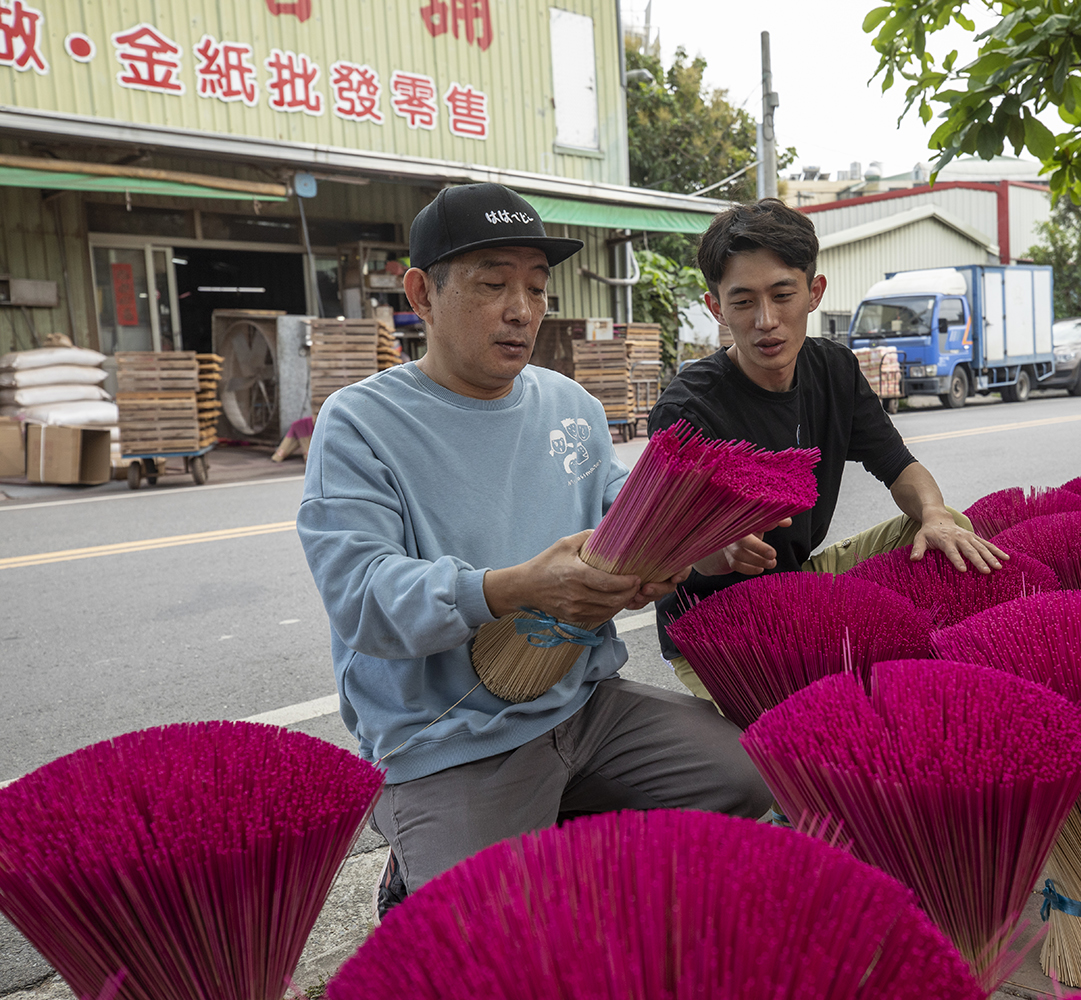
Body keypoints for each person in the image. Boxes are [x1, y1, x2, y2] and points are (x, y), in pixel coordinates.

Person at [297, 183, 773, 919]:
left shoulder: (569, 405)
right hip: (448, 739)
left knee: (751, 779)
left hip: (584, 701)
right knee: (479, 931)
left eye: (537, 286)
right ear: (422, 293)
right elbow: (363, 597)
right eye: (494, 283)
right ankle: (415, 876)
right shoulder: (360, 424)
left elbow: (620, 506)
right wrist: (512, 587)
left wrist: (700, 543)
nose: (522, 308)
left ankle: (558, 832)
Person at [650, 198, 1007, 698]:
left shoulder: (834, 370)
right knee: (773, 740)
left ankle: (902, 664)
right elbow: (664, 548)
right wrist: (715, 547)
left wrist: (934, 514)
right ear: (717, 308)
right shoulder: (686, 409)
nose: (767, 320)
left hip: (797, 584)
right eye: (744, 301)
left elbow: (899, 465)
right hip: (716, 626)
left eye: (782, 294)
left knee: (945, 528)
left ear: (814, 291)